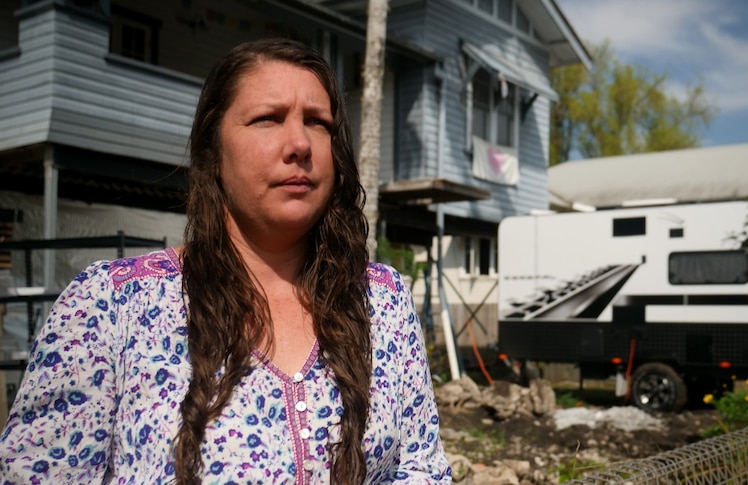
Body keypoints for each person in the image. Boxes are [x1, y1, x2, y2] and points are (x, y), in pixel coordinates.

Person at [0, 38, 451, 484]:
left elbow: (422, 470)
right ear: (213, 154)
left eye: (318, 123)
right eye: (267, 119)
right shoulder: (111, 304)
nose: (299, 144)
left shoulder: (382, 302)